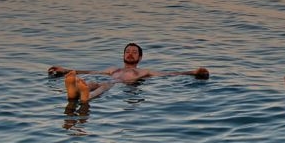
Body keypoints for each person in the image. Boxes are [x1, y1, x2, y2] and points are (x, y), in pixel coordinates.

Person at [49, 42, 210, 103]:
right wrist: (65, 70)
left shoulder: (143, 71)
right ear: (123, 55)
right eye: (127, 51)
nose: (130, 53)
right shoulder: (113, 69)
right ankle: (75, 92)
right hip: (108, 81)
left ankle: (86, 97)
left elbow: (169, 74)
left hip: (119, 86)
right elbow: (90, 71)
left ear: (140, 57)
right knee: (90, 82)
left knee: (104, 85)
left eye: (134, 52)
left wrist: (194, 72)